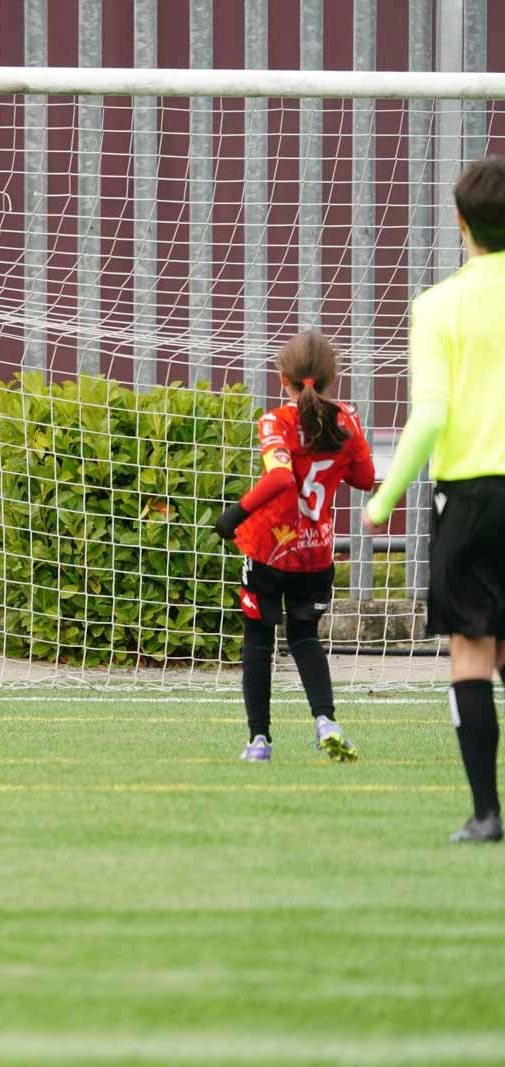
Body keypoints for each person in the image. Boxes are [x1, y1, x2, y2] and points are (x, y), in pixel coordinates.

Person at [363, 156, 505, 844]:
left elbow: (430, 416)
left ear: (460, 223)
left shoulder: (438, 305)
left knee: (472, 651)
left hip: (473, 496)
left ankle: (485, 813)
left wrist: (384, 496)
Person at [213, 332, 375, 764]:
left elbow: (282, 478)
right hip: (315, 553)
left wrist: (235, 514)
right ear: (332, 377)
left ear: (282, 377)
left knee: (258, 640)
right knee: (305, 638)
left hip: (268, 549)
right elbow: (365, 477)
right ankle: (326, 721)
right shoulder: (347, 421)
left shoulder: (275, 422)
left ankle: (259, 741)